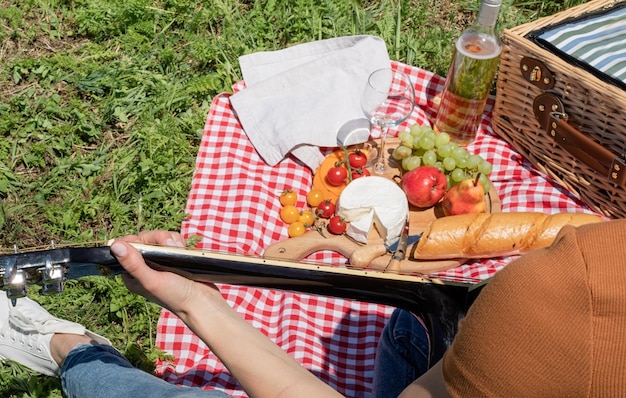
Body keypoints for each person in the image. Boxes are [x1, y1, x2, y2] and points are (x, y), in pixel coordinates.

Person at [1, 220, 625, 397]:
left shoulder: (572, 309)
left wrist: (197, 306)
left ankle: (68, 349)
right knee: (418, 320)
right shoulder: (577, 279)